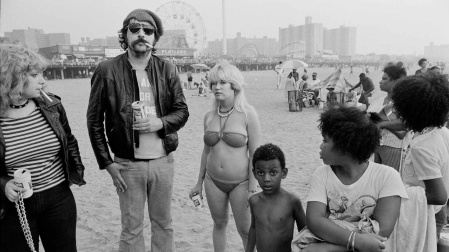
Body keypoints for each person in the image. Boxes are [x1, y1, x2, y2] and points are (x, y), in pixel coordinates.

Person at [86, 9, 189, 252]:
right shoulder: (107, 70)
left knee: (164, 224)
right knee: (131, 227)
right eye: (135, 29)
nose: (141, 34)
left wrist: (160, 123)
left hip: (163, 161)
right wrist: (107, 163)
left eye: (148, 30)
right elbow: (93, 121)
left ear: (155, 37)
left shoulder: (168, 69)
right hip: (126, 164)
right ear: (125, 35)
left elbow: (182, 111)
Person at [0, 43, 86, 251]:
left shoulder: (52, 105)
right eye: (35, 75)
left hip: (58, 199)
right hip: (14, 207)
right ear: (14, 77)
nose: (43, 80)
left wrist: (75, 173)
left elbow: (69, 140)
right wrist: (4, 185)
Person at [292, 106, 407, 252]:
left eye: (325, 141)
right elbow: (315, 221)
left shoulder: (387, 177)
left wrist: (325, 248)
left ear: (345, 147)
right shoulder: (322, 174)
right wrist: (357, 240)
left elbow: (381, 233)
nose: (320, 146)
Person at [189, 60, 261, 252]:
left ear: (235, 86)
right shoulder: (209, 116)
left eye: (222, 82)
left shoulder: (248, 114)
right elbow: (206, 151)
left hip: (241, 183)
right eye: (213, 83)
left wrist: (253, 188)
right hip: (212, 181)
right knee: (219, 224)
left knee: (245, 230)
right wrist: (199, 182)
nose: (216, 87)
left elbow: (255, 154)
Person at [388, 73, 449, 251]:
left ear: (410, 111)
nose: (395, 111)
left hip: (425, 216)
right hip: (439, 212)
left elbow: (439, 195)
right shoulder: (441, 132)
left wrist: (395, 193)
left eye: (398, 107)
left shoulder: (421, 147)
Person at [246, 143, 306, 252]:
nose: (266, 179)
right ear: (254, 174)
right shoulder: (254, 201)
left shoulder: (292, 201)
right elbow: (254, 227)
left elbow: (304, 232)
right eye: (260, 173)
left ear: (284, 173)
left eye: (273, 173)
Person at [367, 65, 407, 171]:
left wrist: (382, 123)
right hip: (376, 147)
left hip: (394, 147)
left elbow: (405, 123)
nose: (380, 82)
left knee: (390, 180)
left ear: (397, 81)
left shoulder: (403, 102)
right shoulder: (377, 102)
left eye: (385, 79)